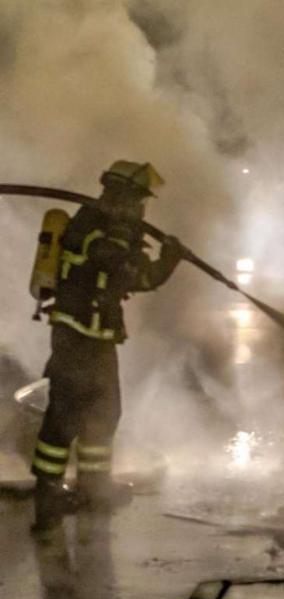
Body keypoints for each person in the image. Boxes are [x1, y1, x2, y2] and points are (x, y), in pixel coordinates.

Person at [30, 161, 183, 533]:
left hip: (97, 335)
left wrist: (156, 252)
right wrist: (166, 259)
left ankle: (92, 485)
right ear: (124, 196)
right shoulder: (92, 228)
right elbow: (128, 272)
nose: (141, 208)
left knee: (105, 411)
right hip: (76, 336)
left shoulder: (114, 230)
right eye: (138, 200)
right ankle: (47, 489)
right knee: (65, 413)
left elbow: (132, 273)